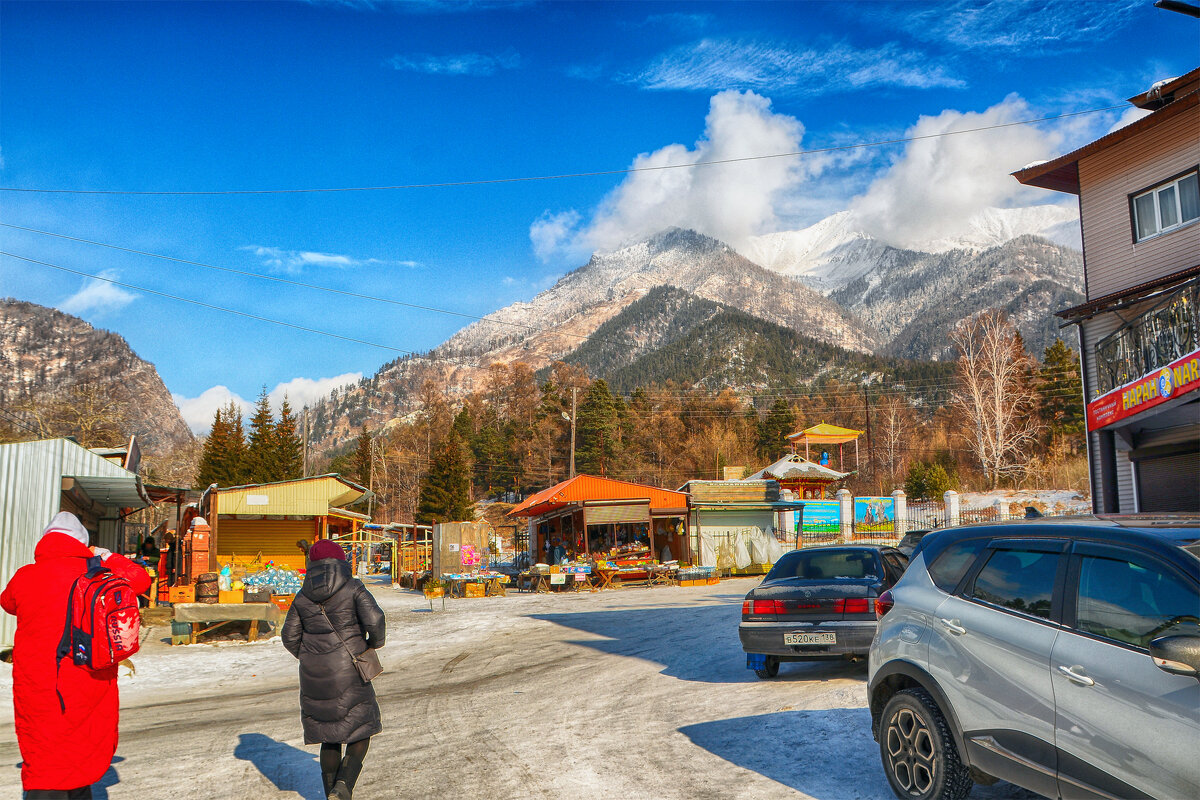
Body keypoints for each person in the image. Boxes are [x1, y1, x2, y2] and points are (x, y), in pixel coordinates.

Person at [0, 511, 152, 799]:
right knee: (81, 749)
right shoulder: (97, 575)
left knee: (43, 753)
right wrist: (105, 556)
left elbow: (7, 602)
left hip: (39, 682)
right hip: (90, 675)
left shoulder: (25, 576)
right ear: (82, 543)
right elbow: (141, 581)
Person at [282, 539, 386, 800]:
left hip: (314, 672)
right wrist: (372, 645)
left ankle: (332, 793)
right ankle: (343, 786)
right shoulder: (352, 586)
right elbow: (375, 620)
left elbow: (289, 636)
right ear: (341, 562)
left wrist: (309, 656)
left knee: (329, 734)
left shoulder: (302, 595)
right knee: (361, 726)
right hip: (349, 667)